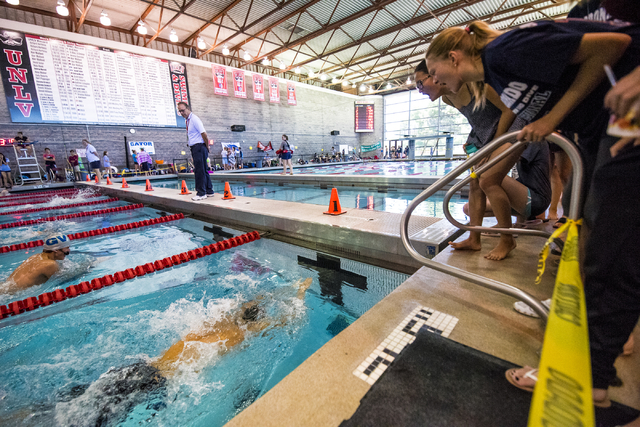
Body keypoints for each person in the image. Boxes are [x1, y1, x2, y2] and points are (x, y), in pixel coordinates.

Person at [426, 16, 640, 419]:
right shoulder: (496, 73)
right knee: (603, 244)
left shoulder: (506, 51)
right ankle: (595, 369)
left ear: (454, 58)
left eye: (436, 74)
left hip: (626, 121)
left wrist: (552, 119)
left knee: (612, 250)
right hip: (605, 129)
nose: (436, 82)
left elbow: (612, 45)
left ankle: (591, 372)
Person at [56, 278, 313, 425]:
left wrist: (282, 287)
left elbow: (252, 300)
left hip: (142, 367)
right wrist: (300, 292)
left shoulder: (219, 317)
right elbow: (288, 319)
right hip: (157, 381)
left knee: (77, 401)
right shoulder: (241, 334)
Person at [414, 59, 530, 259]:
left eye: (420, 83)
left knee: (488, 180)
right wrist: (475, 142)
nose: (419, 90)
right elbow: (478, 119)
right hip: (486, 135)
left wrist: (491, 145)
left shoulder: (473, 83)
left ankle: (507, 239)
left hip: (511, 125)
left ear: (434, 74)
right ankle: (474, 239)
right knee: (475, 184)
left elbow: (507, 110)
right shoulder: (448, 99)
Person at [4, 234, 71, 292]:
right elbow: (63, 281)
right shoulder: (50, 264)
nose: (69, 251)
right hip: (11, 294)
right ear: (55, 250)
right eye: (67, 248)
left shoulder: (36, 256)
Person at [178, 102, 213, 201]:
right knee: (204, 170)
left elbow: (204, 134)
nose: (182, 113)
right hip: (196, 147)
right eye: (180, 111)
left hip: (199, 147)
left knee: (199, 171)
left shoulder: (194, 119)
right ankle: (209, 191)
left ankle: (201, 193)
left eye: (183, 110)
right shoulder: (188, 120)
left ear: (188, 108)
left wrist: (207, 147)